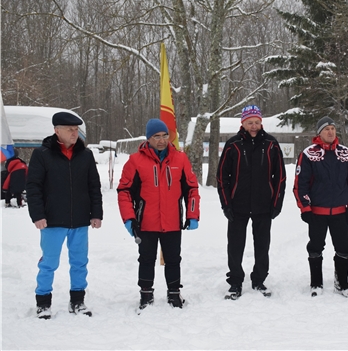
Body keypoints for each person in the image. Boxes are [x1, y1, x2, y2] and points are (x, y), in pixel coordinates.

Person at [26, 112, 103, 320]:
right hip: (52, 220)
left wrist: (96, 213)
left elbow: (94, 186)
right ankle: (43, 302)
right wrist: (37, 215)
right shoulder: (42, 154)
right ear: (56, 130)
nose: (74, 133)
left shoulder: (85, 155)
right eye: (70, 129)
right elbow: (33, 187)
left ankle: (77, 300)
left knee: (80, 262)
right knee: (49, 262)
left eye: (76, 130)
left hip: (79, 220)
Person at [117, 118, 200, 311]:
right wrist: (129, 218)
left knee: (173, 258)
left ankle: (174, 293)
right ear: (149, 138)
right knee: (146, 259)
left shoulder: (180, 159)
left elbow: (192, 189)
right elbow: (124, 191)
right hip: (145, 222)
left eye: (165, 136)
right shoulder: (135, 161)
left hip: (172, 221)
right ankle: (146, 293)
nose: (162, 140)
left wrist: (192, 213)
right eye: (157, 137)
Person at [216, 105, 286, 300]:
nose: (253, 126)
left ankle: (259, 280)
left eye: (256, 122)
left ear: (261, 123)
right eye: (250, 122)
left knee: (262, 244)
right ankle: (235, 282)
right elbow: (222, 177)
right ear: (243, 123)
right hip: (237, 206)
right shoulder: (233, 144)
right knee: (235, 245)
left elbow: (280, 176)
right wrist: (226, 204)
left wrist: (277, 202)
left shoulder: (271, 144)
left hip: (264, 205)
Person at [293, 116, 348, 297]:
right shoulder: (308, 155)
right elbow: (301, 184)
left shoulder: (347, 154)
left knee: (344, 248)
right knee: (315, 248)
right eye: (326, 129)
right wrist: (305, 208)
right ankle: (316, 284)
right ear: (319, 133)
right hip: (317, 212)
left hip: (340, 212)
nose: (330, 132)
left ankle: (342, 284)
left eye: (332, 128)